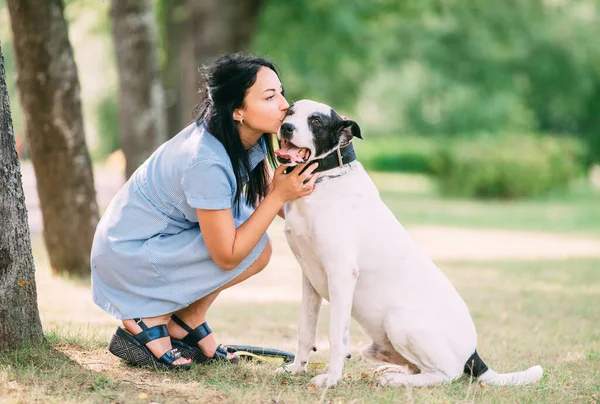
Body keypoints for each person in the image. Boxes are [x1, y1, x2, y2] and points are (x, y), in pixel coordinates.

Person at [91, 53, 319, 370]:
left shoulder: (239, 140)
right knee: (252, 245)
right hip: (127, 256)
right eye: (270, 97)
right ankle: (145, 318)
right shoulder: (206, 161)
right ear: (237, 111)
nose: (284, 105)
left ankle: (187, 320)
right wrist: (279, 195)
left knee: (255, 242)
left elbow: (268, 195)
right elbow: (227, 254)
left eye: (281, 92)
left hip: (155, 244)